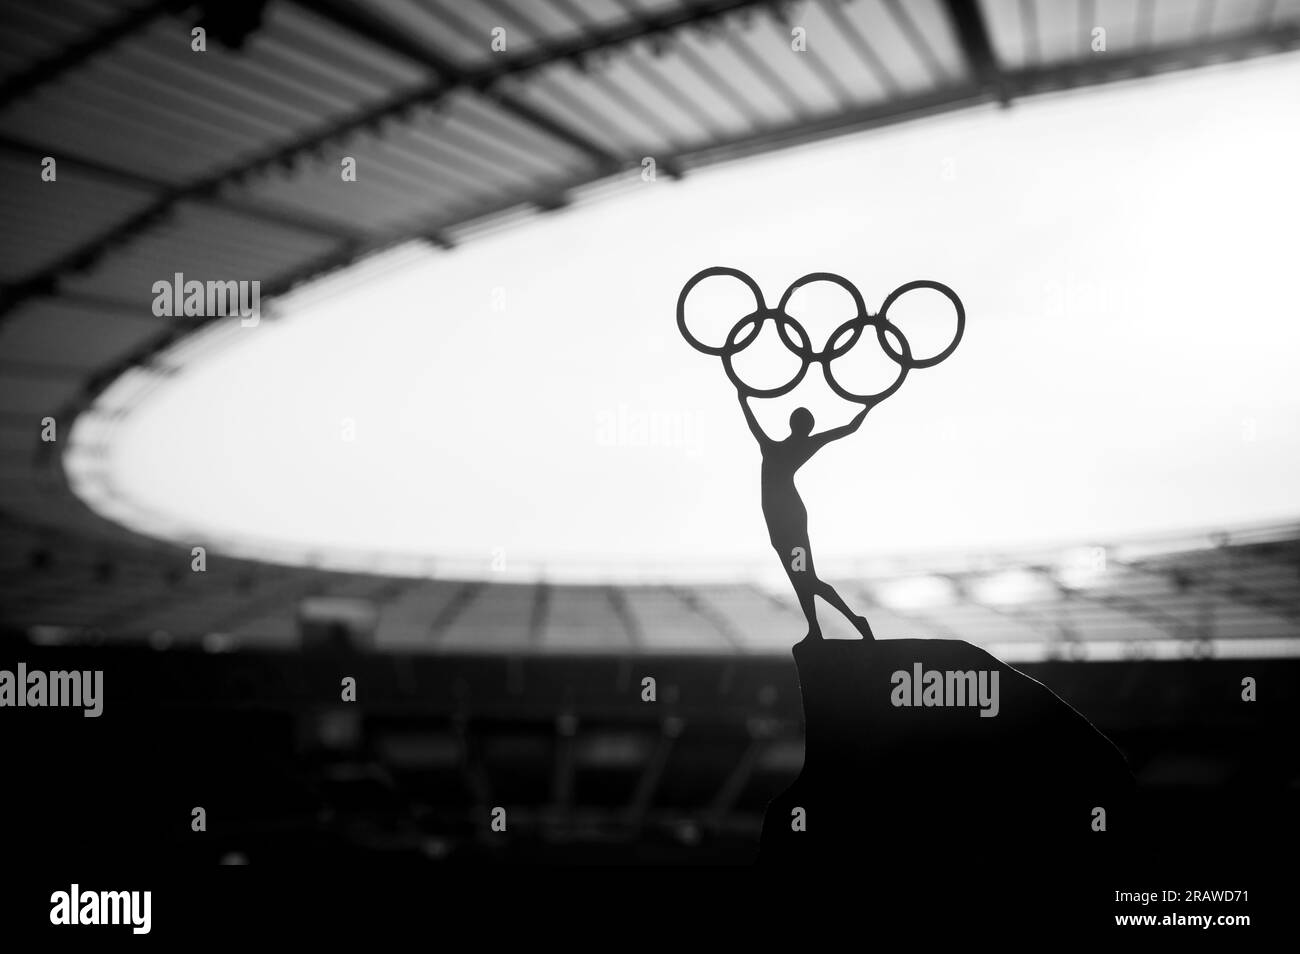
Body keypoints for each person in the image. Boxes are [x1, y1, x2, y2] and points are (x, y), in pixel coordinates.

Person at [737, 389, 874, 641]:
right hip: (782, 521)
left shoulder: (772, 447)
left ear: (793, 425)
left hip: (787, 520)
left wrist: (742, 398)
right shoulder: (799, 445)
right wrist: (867, 406)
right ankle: (816, 629)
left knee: (806, 578)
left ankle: (853, 621)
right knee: (801, 579)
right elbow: (848, 428)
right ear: (807, 428)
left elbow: (752, 423)